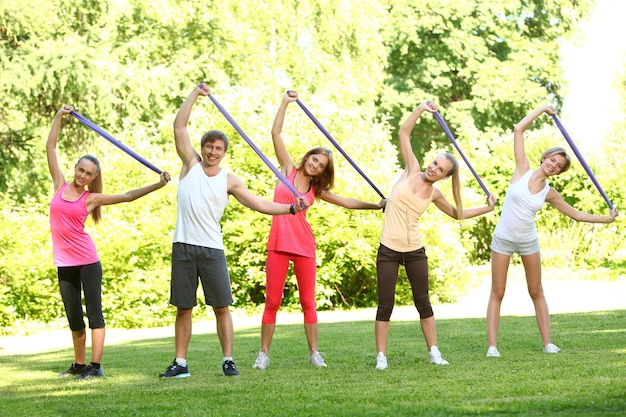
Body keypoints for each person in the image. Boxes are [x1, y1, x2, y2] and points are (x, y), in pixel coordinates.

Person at [159, 84, 306, 379]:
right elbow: (179, 125)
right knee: (184, 308)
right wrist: (194, 94)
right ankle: (180, 363)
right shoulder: (190, 165)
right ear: (202, 149)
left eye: (218, 149)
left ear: (224, 153)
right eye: (209, 147)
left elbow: (260, 204)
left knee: (221, 307)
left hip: (212, 249)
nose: (213, 152)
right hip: (183, 246)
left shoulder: (230, 180)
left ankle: (228, 360)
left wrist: (291, 208)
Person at [252, 90, 386, 370]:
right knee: (272, 301)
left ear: (321, 171)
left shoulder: (316, 189)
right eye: (314, 159)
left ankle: (314, 353)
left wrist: (375, 205)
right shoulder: (286, 169)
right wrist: (285, 103)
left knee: (308, 302)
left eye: (320, 165)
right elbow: (276, 133)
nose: (314, 164)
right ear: (307, 157)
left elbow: (347, 202)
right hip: (277, 243)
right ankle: (263, 353)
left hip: (303, 246)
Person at [47, 105, 171, 380]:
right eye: (80, 170)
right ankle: (79, 366)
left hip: (88, 262)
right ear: (75, 168)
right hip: (64, 263)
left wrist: (157, 185)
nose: (82, 176)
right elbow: (51, 148)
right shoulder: (59, 185)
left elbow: (127, 195)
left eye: (88, 174)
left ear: (93, 178)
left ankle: (96, 367)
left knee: (94, 313)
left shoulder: (90, 198)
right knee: (73, 317)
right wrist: (58, 116)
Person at [485, 104, 618, 357]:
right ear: (545, 157)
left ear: (558, 172)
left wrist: (606, 219)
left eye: (558, 167)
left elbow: (577, 215)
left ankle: (548, 343)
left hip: (527, 242)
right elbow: (518, 129)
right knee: (498, 291)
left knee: (536, 291)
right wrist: (542, 109)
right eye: (553, 160)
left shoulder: (549, 193)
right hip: (502, 239)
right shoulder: (521, 169)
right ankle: (492, 347)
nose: (554, 166)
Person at [374, 101, 496, 370]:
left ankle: (434, 352)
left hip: (414, 250)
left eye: (440, 169)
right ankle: (381, 356)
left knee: (423, 303)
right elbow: (403, 133)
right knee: (385, 304)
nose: (433, 169)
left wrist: (487, 208)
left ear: (444, 177)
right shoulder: (410, 170)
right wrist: (419, 109)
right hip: (389, 250)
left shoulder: (435, 193)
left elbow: (457, 213)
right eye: (434, 163)